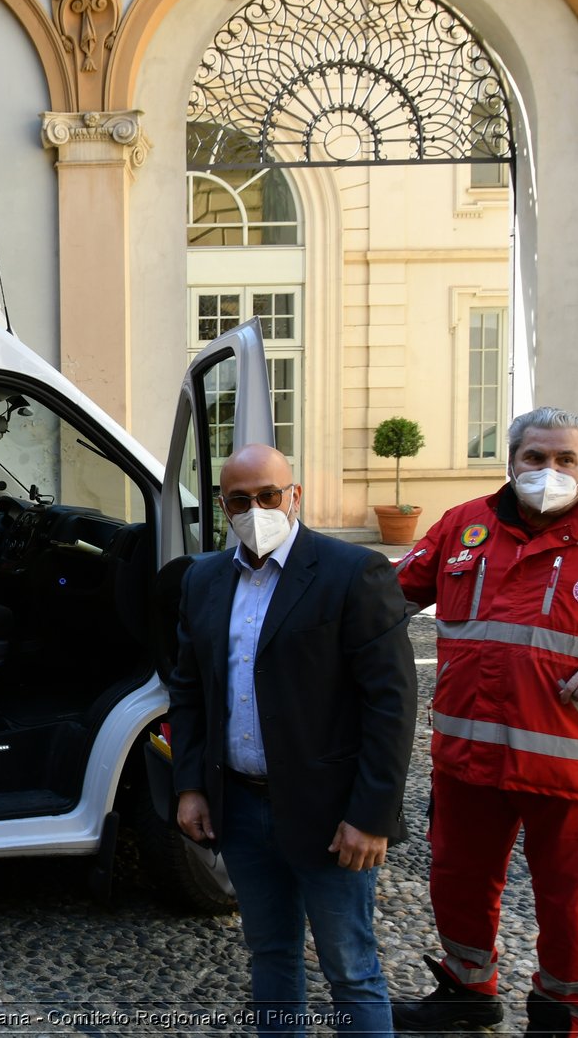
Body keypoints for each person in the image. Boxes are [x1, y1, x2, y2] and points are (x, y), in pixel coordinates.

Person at [393, 406, 578, 1038]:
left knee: (569, 903)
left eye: (564, 459)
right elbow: (389, 596)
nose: (548, 470)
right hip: (468, 761)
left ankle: (567, 1019)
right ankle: (467, 991)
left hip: (571, 769)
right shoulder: (463, 526)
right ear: (512, 461)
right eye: (535, 457)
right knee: (458, 883)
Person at [168, 443, 416, 1037]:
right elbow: (189, 690)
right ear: (223, 508)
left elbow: (391, 703)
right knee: (271, 957)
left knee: (350, 968)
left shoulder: (352, 572)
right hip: (243, 809)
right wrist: (191, 785)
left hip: (333, 818)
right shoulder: (202, 579)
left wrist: (372, 816)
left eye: (268, 495)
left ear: (294, 496)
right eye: (239, 500)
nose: (256, 509)